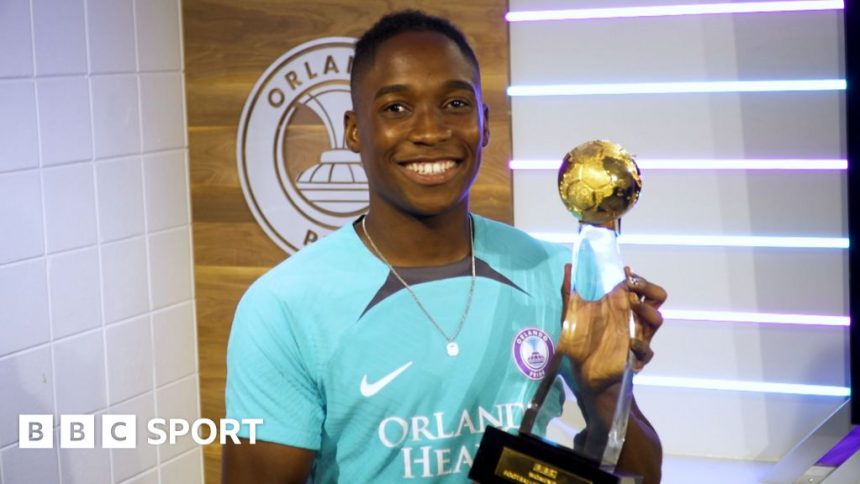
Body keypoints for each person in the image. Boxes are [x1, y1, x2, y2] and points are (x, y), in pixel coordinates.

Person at [222, 10, 666, 483]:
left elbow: (643, 477)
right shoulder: (283, 307)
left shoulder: (556, 278)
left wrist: (606, 393)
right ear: (354, 131)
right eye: (396, 108)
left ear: (484, 122)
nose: (431, 131)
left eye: (455, 104)